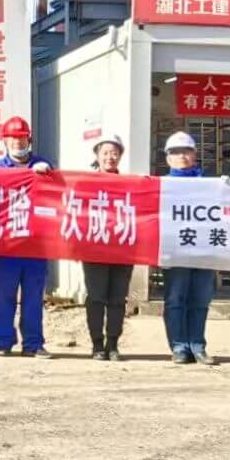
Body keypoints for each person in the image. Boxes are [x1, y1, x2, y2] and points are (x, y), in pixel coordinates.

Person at [0, 116, 52, 358]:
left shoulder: (44, 167)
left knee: (33, 297)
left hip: (36, 245)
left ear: (29, 140)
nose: (18, 142)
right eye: (13, 138)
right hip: (7, 245)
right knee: (5, 295)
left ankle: (33, 344)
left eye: (22, 138)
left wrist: (46, 175)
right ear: (4, 141)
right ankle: (3, 342)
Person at [160, 131, 216, 365]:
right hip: (175, 251)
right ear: (168, 158)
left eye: (186, 151)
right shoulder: (161, 185)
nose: (181, 156)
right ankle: (179, 347)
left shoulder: (211, 185)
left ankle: (198, 346)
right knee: (176, 299)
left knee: (200, 300)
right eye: (175, 152)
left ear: (195, 155)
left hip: (204, 250)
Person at [82, 135, 133, 361]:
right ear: (97, 155)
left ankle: (113, 344)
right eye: (105, 153)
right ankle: (96, 344)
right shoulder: (85, 183)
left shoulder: (130, 184)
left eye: (114, 153)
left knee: (117, 298)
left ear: (120, 156)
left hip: (122, 249)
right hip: (94, 249)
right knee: (96, 297)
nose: (110, 157)